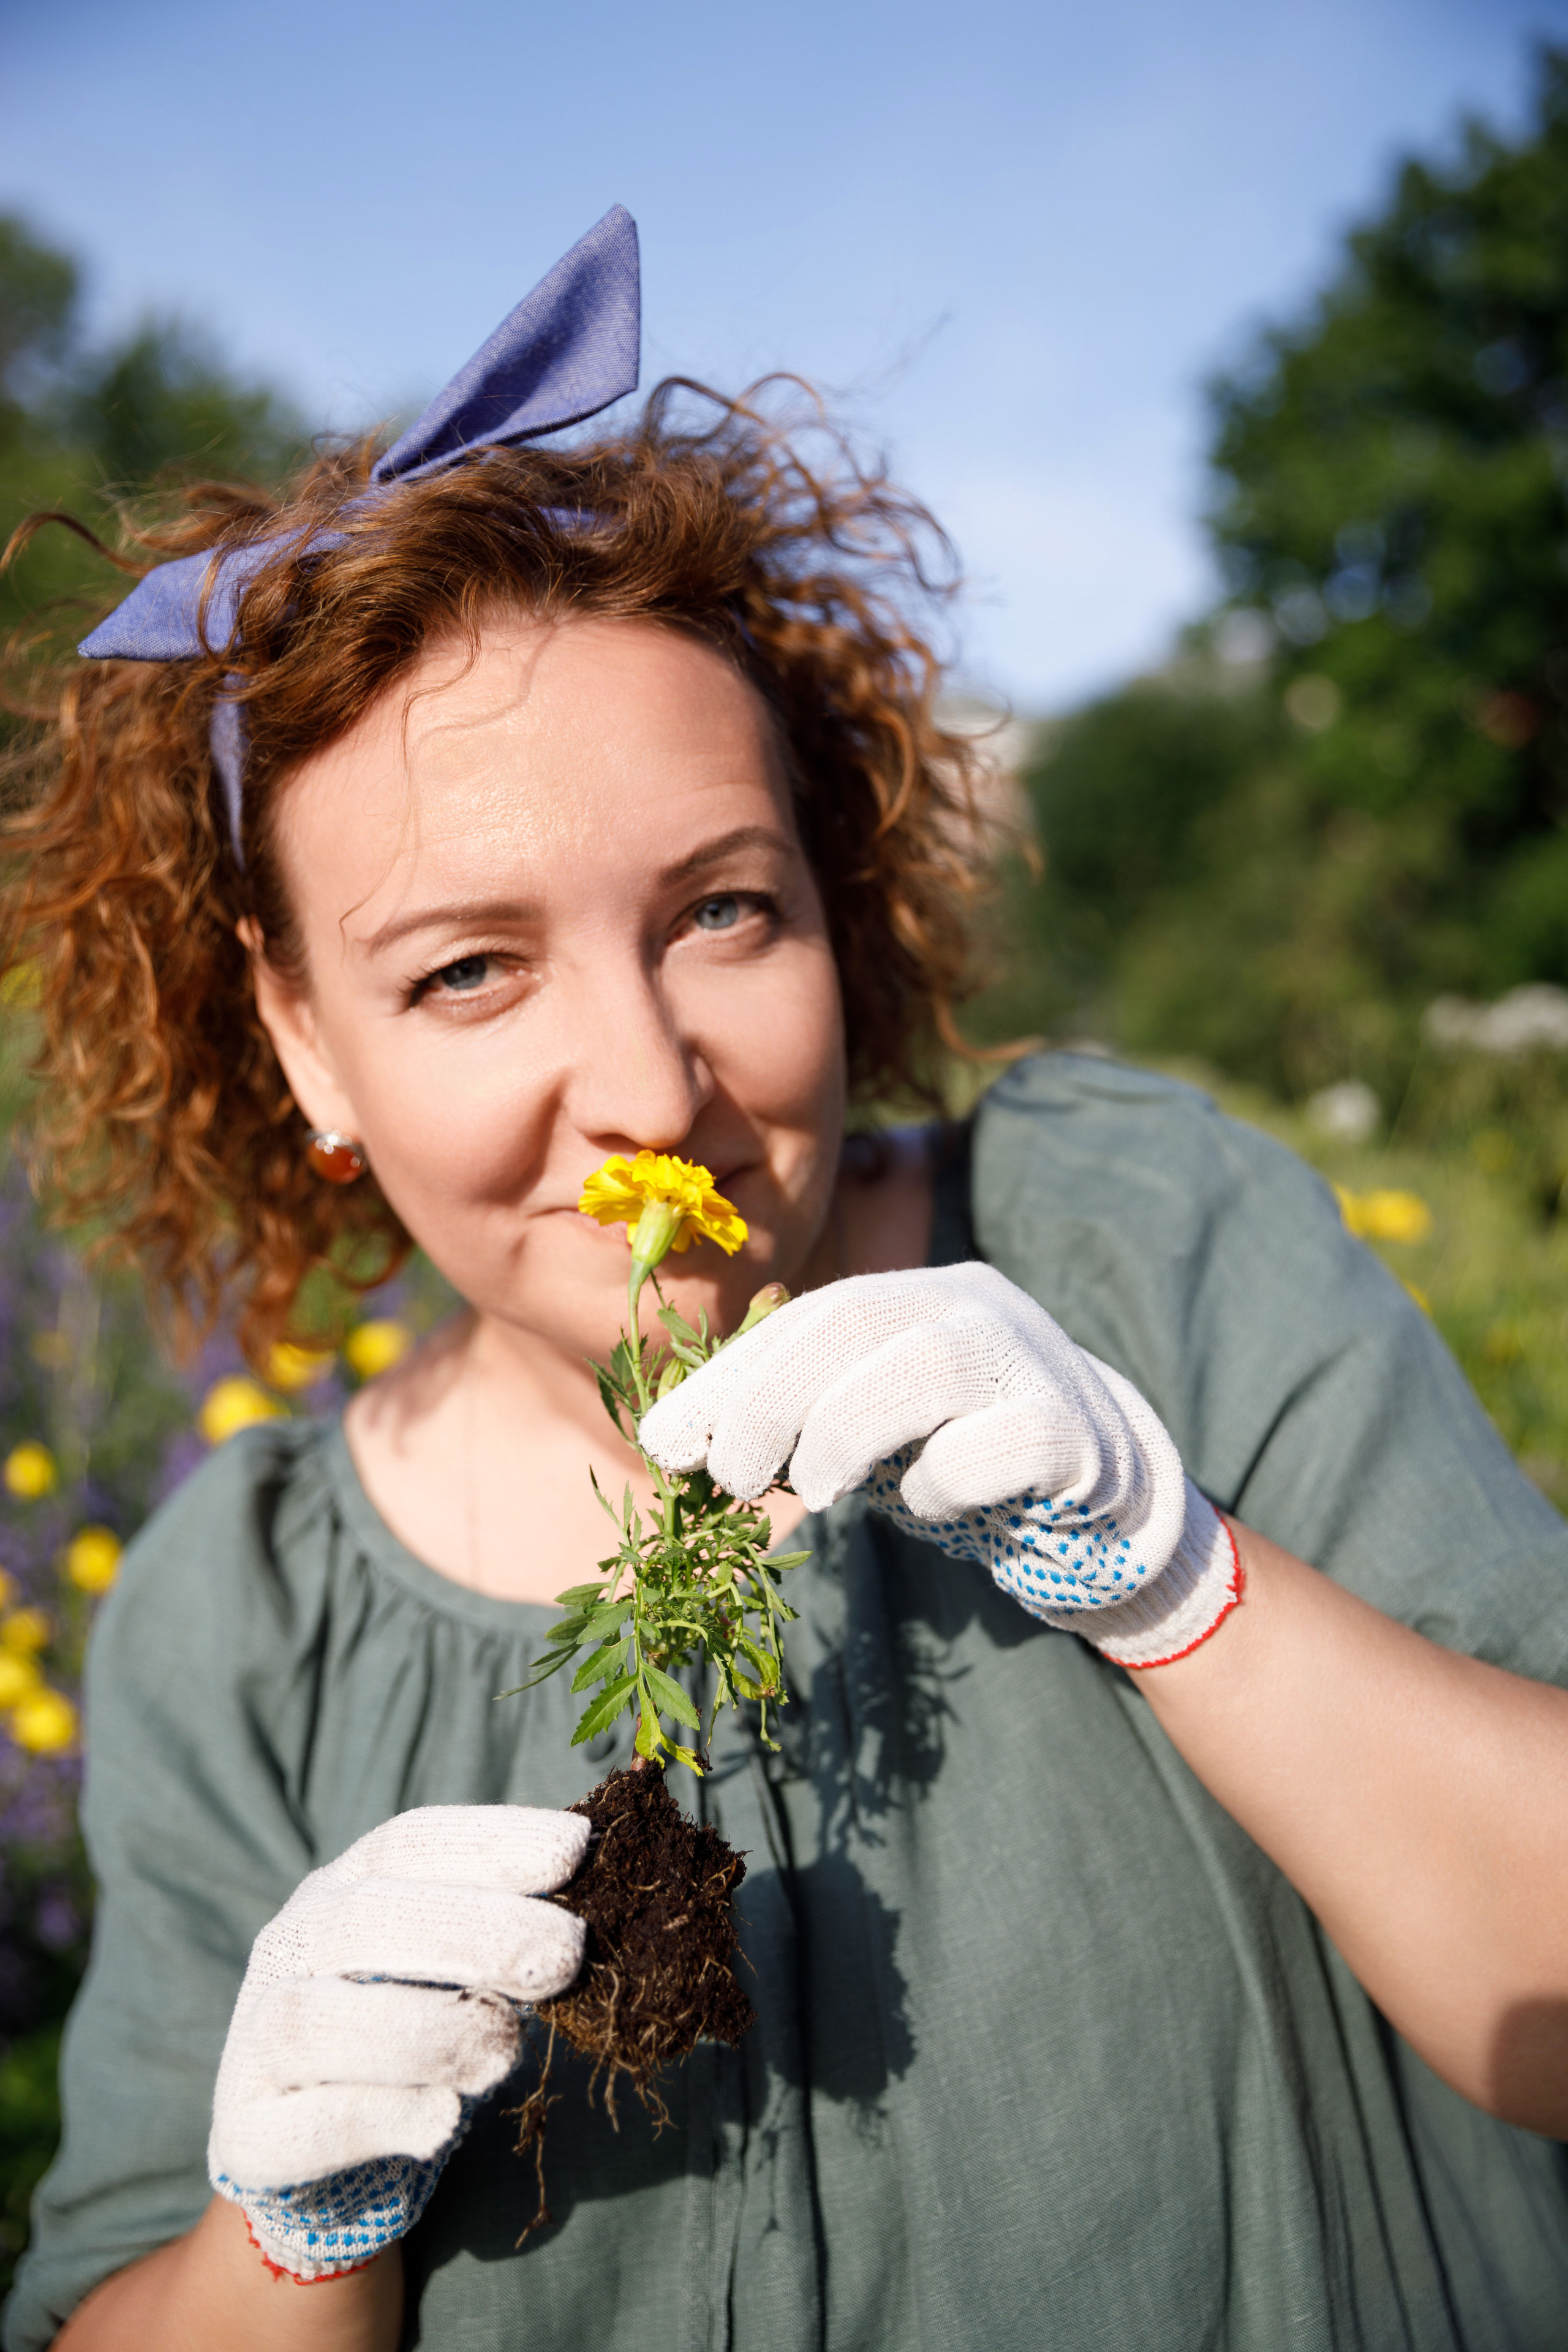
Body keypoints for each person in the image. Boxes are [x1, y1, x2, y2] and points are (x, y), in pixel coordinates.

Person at [2, 206, 1566, 2352]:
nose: (650, 1083)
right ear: (298, 1042)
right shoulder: (240, 1621)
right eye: (469, 970)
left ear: (834, 898)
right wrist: (289, 2234)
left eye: (724, 913)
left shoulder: (1141, 1241)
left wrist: (1175, 1578)